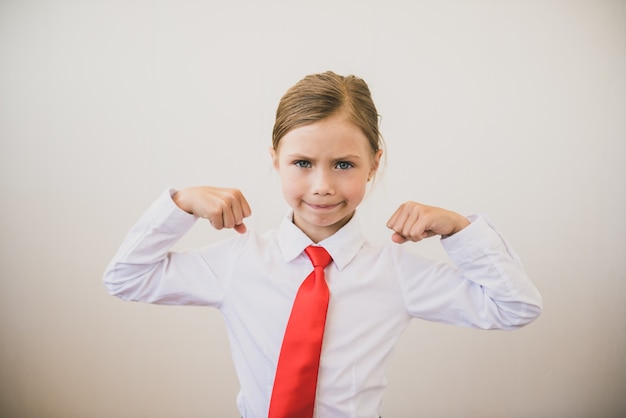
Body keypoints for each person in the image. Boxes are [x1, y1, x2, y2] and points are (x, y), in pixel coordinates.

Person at [103, 71, 542, 417]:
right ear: (275, 159)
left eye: (344, 164)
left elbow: (515, 307)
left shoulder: (395, 273)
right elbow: (126, 278)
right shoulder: (239, 262)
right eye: (302, 163)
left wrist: (460, 230)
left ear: (373, 164)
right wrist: (179, 204)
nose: (322, 186)